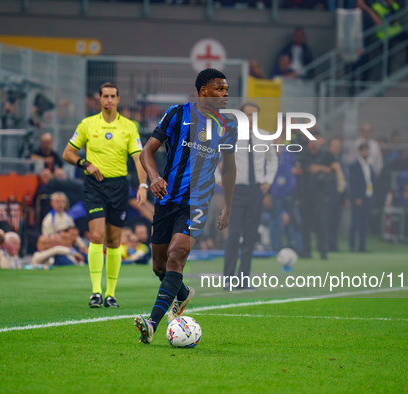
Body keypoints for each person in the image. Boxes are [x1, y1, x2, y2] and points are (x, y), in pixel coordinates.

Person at [134, 68, 237, 344]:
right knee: (159, 266)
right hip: (167, 198)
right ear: (203, 91)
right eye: (220, 89)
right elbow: (147, 151)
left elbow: (228, 168)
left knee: (177, 254)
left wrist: (227, 206)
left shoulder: (228, 126)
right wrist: (154, 178)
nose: (226, 94)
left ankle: (152, 323)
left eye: (227, 89)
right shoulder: (177, 113)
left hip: (198, 202)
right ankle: (182, 294)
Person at [62, 82, 148, 309]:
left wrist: (142, 185)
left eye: (113, 96)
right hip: (95, 186)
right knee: (96, 236)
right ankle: (96, 292)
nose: (109, 100)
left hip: (119, 187)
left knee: (113, 241)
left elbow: (138, 158)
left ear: (118, 99)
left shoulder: (129, 127)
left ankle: (111, 294)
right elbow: (68, 153)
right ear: (99, 99)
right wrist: (85, 164)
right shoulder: (87, 124)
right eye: (105, 96)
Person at [223, 102, 277, 288]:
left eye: (254, 115)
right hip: (236, 190)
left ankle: (243, 280)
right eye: (247, 115)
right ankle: (228, 279)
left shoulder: (265, 137)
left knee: (250, 235)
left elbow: (272, 160)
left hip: (256, 191)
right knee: (234, 234)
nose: (251, 118)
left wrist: (268, 180)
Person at [297, 131, 334, 260]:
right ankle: (306, 250)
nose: (315, 142)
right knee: (305, 223)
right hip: (305, 192)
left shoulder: (327, 156)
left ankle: (323, 250)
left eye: (317, 139)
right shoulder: (303, 155)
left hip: (320, 192)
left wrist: (320, 168)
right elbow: (300, 169)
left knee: (321, 222)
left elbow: (333, 169)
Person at [349, 143, 374, 252]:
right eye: (364, 150)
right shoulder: (354, 165)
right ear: (360, 151)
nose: (366, 153)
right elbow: (353, 183)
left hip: (368, 195)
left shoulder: (370, 165)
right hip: (359, 198)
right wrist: (356, 197)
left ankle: (362, 246)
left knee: (365, 222)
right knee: (355, 222)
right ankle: (352, 245)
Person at [327, 137, 347, 252]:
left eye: (338, 146)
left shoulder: (341, 162)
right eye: (334, 145)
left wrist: (345, 196)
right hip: (327, 195)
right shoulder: (325, 160)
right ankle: (325, 244)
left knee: (336, 222)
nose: (336, 148)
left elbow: (344, 180)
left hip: (338, 196)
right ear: (329, 147)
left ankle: (333, 244)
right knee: (326, 222)